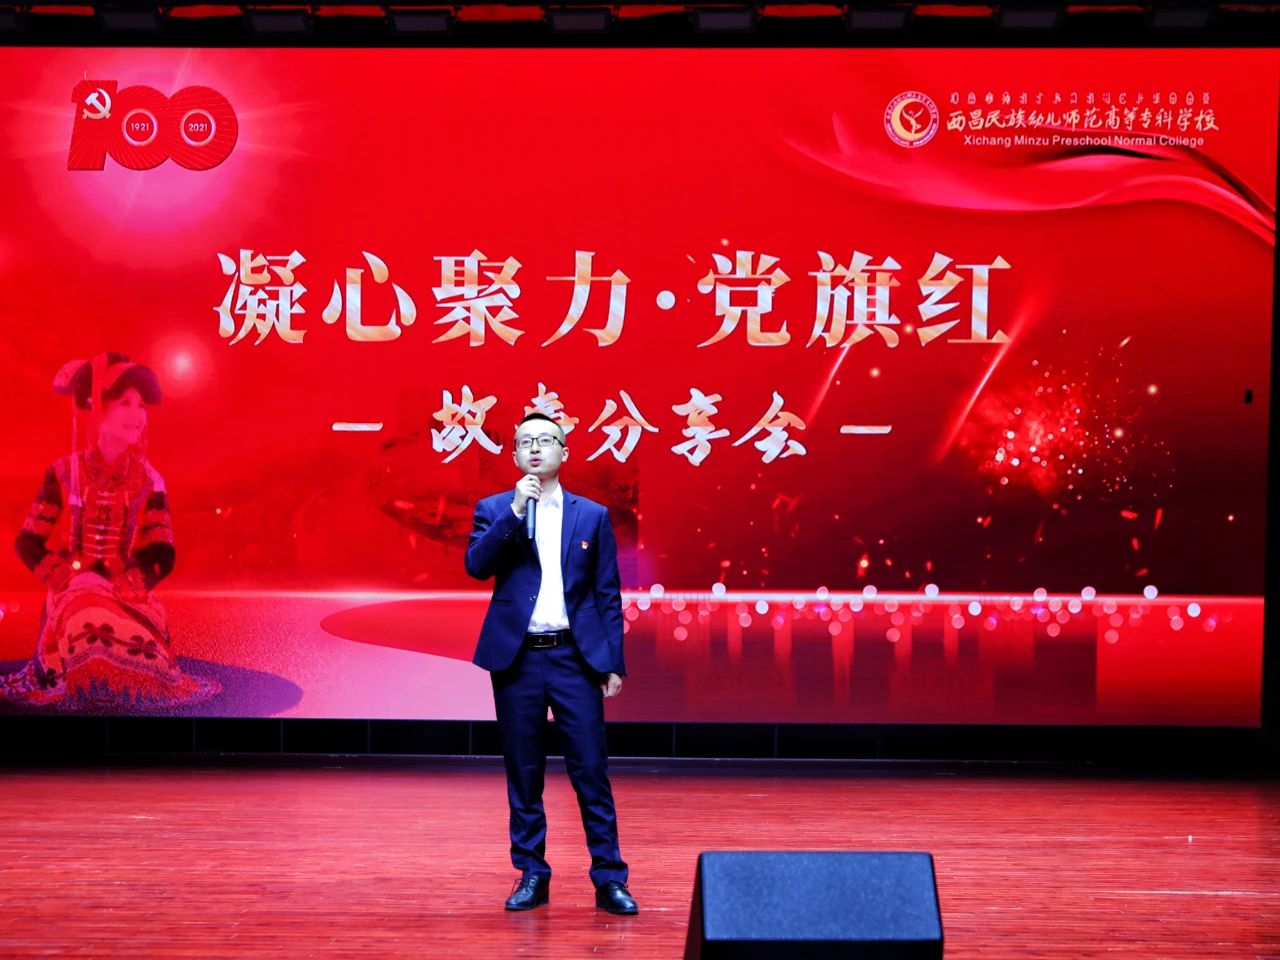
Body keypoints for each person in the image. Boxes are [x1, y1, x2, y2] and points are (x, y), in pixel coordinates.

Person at [464, 411, 637, 915]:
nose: (535, 448)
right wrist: (515, 511)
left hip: (574, 659)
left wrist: (612, 662)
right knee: (524, 772)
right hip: (517, 659)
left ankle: (609, 878)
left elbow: (607, 594)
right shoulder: (495, 508)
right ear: (516, 455)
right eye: (526, 442)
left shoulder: (592, 515)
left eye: (546, 440)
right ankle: (532, 873)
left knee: (591, 770)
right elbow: (477, 566)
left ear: (564, 452)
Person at [0, 353, 219, 711]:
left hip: (126, 592)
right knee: (83, 618)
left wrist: (129, 582)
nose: (138, 415)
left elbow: (162, 553)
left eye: (142, 406)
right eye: (126, 403)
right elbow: (28, 542)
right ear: (100, 410)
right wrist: (67, 577)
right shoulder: (64, 473)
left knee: (137, 641)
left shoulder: (150, 480)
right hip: (72, 591)